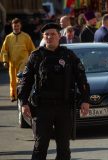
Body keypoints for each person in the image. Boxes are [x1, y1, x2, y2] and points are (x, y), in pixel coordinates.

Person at [18, 23, 90, 160]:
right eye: (47, 35)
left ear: (60, 36)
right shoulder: (36, 56)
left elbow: (81, 79)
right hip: (42, 107)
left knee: (64, 147)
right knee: (41, 145)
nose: (50, 37)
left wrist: (85, 100)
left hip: (64, 106)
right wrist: (24, 102)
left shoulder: (69, 56)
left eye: (53, 34)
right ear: (43, 37)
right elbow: (26, 82)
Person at [0, 18, 35, 102]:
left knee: (21, 78)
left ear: (20, 26)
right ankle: (13, 95)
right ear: (12, 26)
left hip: (23, 61)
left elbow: (32, 49)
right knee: (12, 80)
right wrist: (5, 61)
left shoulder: (26, 36)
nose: (16, 27)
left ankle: (22, 94)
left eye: (18, 26)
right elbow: (4, 50)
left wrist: (33, 59)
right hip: (12, 62)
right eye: (15, 26)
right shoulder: (8, 37)